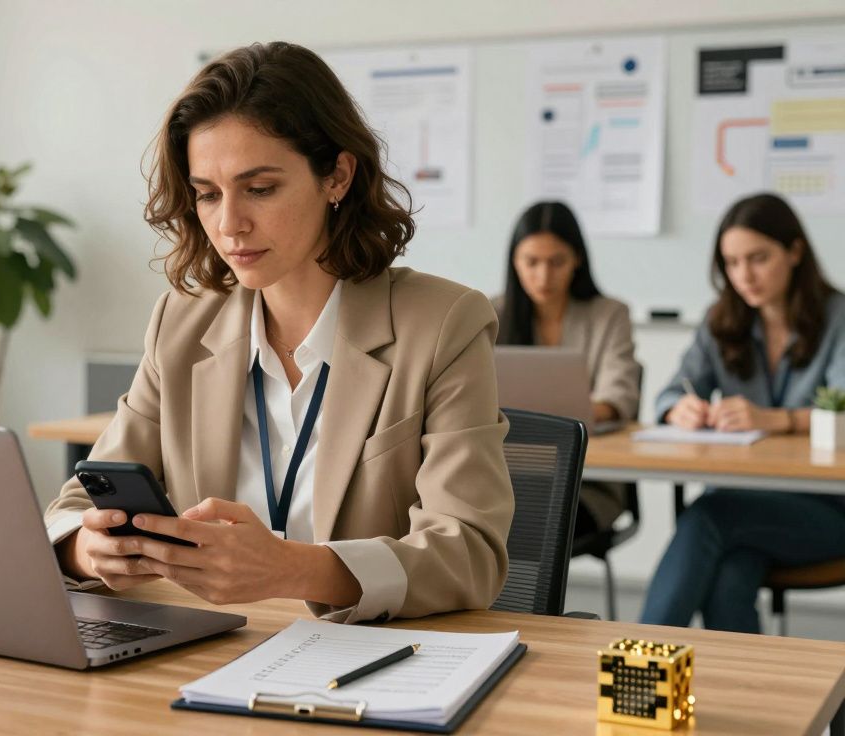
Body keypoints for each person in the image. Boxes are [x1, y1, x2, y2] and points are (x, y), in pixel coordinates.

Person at [44, 42, 514, 624]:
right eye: (208, 194)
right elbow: (75, 505)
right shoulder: (182, 323)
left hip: (370, 663)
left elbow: (469, 553)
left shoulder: (444, 324)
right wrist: (90, 550)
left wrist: (292, 568)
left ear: (337, 176)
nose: (229, 224)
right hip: (211, 652)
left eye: (260, 189)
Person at [640, 192, 845, 633]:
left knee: (709, 516)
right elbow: (669, 393)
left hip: (828, 508)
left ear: (794, 251)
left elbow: (844, 407)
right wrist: (681, 409)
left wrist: (779, 419)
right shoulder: (722, 320)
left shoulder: (838, 316)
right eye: (731, 263)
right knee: (730, 577)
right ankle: (755, 700)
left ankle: (638, 661)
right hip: (749, 506)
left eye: (758, 258)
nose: (744, 275)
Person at [492, 201, 641, 537]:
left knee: (517, 529)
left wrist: (539, 417)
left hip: (587, 482)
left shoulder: (609, 315)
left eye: (556, 262)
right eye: (531, 262)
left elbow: (620, 397)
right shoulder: (489, 313)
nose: (543, 276)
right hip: (508, 476)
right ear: (514, 261)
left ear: (577, 259)